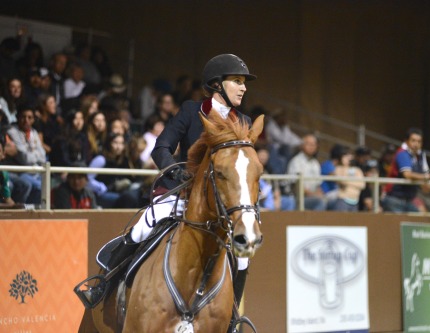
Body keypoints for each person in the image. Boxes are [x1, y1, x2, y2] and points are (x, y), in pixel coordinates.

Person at [88, 54, 257, 318]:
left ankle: (233, 317)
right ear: (216, 84)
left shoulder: (243, 121)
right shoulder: (192, 111)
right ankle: (102, 286)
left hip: (220, 204)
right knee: (142, 227)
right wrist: (175, 170)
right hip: (183, 193)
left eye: (244, 82)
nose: (244, 87)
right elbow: (161, 147)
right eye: (237, 81)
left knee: (243, 256)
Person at [382, 127, 430, 212]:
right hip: (393, 199)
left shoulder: (420, 156)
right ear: (406, 141)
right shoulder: (402, 153)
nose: (416, 144)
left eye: (419, 141)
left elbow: (425, 182)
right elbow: (407, 174)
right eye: (413, 140)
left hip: (409, 199)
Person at [4, 105, 45, 204]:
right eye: (23, 117)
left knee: (46, 185)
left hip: (33, 172)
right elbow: (24, 158)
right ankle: (20, 214)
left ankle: (34, 215)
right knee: (34, 186)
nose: (26, 120)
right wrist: (35, 154)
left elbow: (43, 157)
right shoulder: (12, 132)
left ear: (33, 120)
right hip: (18, 172)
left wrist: (31, 154)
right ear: (18, 118)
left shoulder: (33, 132)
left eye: (29, 117)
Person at [286, 134, 326, 210]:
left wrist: (320, 194)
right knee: (319, 202)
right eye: (308, 144)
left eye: (314, 144)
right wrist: (313, 195)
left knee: (331, 200)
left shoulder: (315, 163)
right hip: (298, 198)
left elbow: (318, 185)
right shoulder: (296, 161)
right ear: (302, 146)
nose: (311, 147)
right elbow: (296, 186)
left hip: (313, 197)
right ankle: (316, 222)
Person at [330, 146, 365, 212]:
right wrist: (354, 181)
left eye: (350, 156)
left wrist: (348, 181)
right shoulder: (338, 168)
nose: (348, 158)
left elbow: (362, 184)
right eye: (345, 155)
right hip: (342, 200)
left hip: (355, 201)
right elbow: (342, 181)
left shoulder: (357, 170)